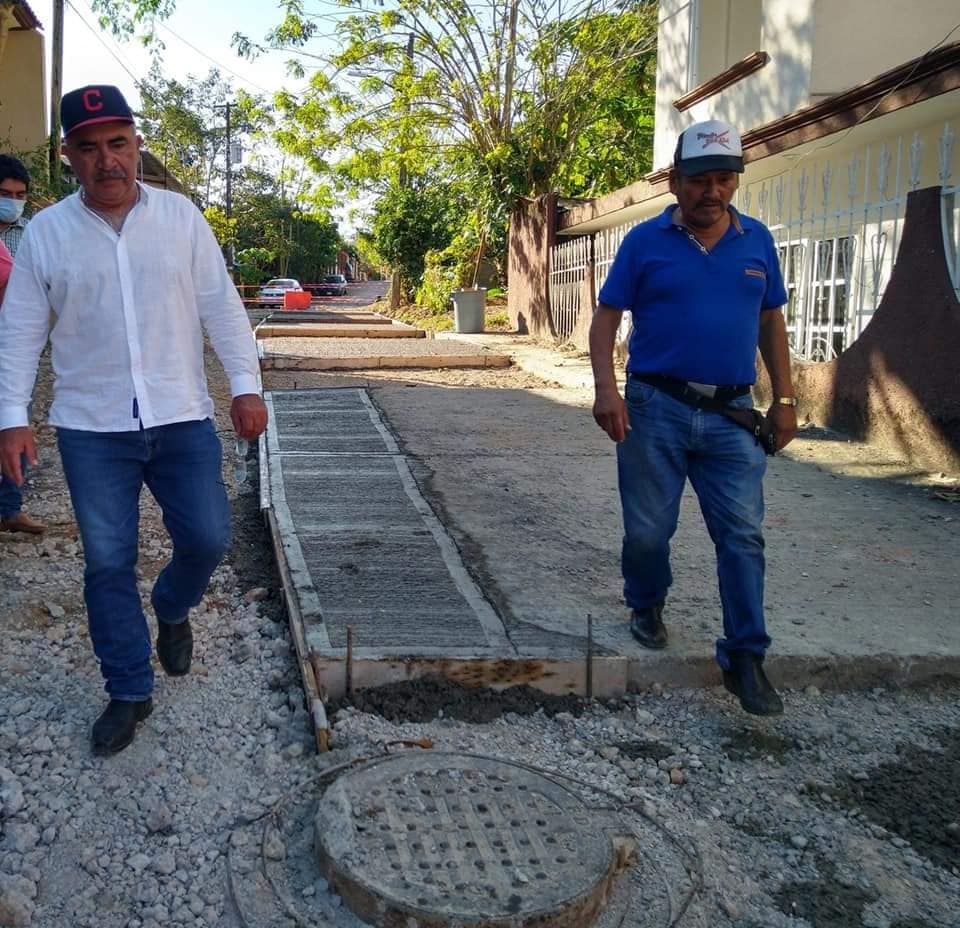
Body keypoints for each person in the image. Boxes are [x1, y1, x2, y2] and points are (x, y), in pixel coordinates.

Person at [0, 85, 267, 755]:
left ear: (137, 144)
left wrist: (245, 386)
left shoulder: (180, 219)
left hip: (181, 417)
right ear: (69, 157)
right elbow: (20, 332)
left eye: (118, 143)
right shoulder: (46, 236)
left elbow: (222, 308)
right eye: (89, 148)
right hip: (92, 431)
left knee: (207, 539)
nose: (106, 160)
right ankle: (128, 689)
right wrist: (11, 418)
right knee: (108, 563)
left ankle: (172, 610)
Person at [589, 119, 797, 717]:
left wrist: (783, 400)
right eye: (701, 180)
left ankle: (746, 656)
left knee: (742, 534)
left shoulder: (756, 241)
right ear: (676, 183)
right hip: (655, 407)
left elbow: (770, 322)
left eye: (724, 180)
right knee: (650, 531)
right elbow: (606, 318)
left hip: (734, 415)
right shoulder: (644, 243)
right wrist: (607, 389)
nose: (714, 192)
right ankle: (646, 601)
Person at [0, 154, 44, 535]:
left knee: (15, 419)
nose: (12, 201)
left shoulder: (27, 234)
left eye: (19, 194)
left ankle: (10, 507)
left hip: (13, 349)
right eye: (4, 194)